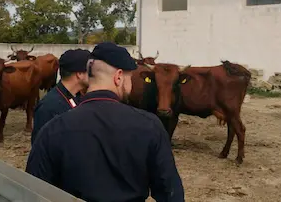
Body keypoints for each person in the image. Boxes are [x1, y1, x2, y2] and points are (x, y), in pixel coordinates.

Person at [25, 42, 185, 202]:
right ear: (119, 77)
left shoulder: (53, 128)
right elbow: (170, 193)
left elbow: (33, 189)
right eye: (130, 78)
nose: (131, 85)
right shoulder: (150, 126)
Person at [30, 48, 90, 145]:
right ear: (79, 74)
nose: (95, 75)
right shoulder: (49, 107)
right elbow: (40, 147)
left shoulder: (78, 97)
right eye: (91, 70)